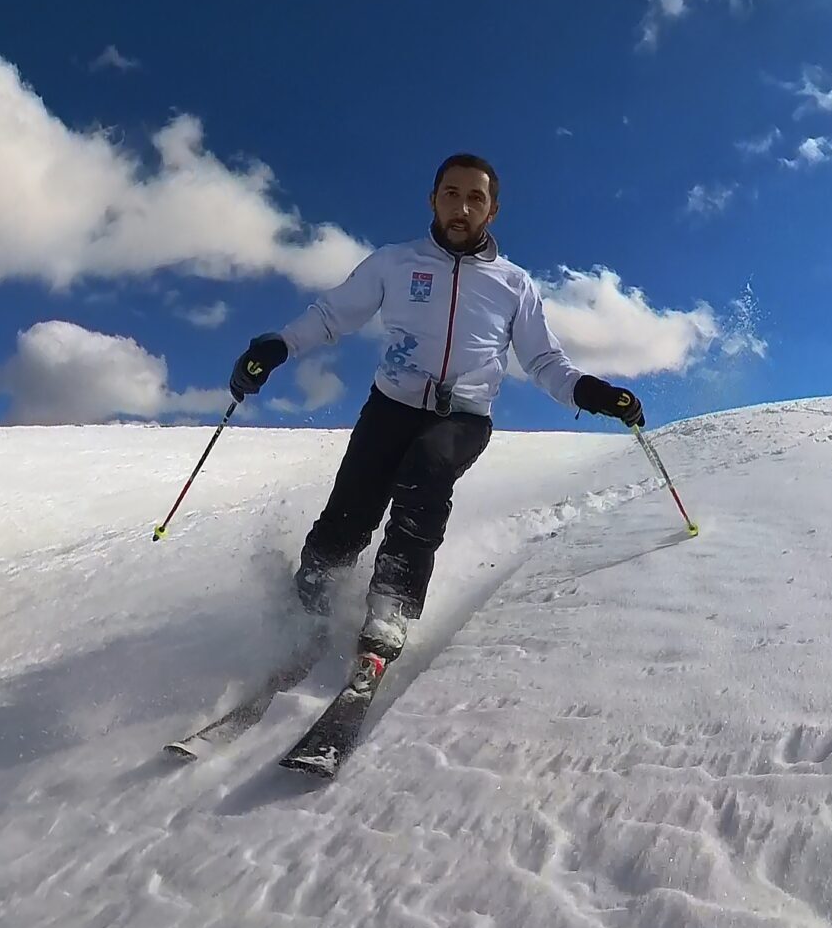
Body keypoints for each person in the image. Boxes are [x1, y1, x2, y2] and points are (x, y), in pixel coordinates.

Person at [229, 153, 645, 658]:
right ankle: (309, 598)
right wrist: (278, 346)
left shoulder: (513, 284)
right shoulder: (394, 263)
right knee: (350, 514)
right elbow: (331, 315)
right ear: (433, 200)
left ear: (492, 210)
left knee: (426, 472)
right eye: (451, 194)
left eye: (475, 198)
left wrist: (592, 393)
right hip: (391, 406)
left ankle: (392, 604)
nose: (462, 208)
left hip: (463, 416)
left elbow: (542, 361)